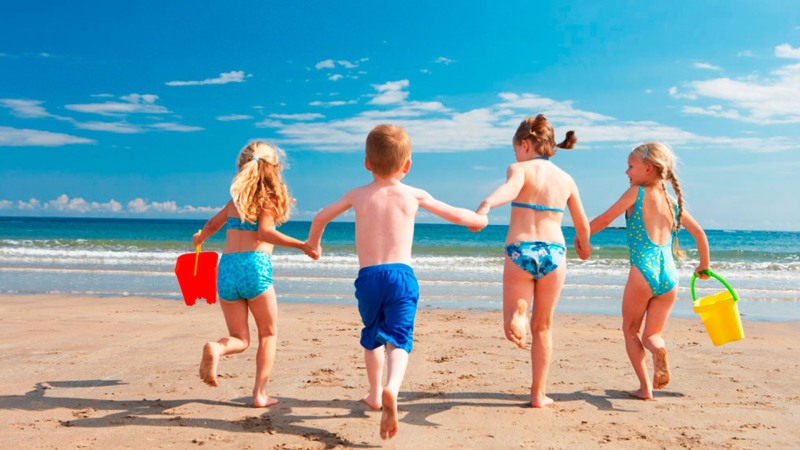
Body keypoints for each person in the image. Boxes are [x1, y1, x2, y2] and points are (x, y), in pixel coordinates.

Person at [307, 124, 488, 439]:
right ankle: (393, 388)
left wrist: (314, 244)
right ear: (407, 165)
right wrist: (480, 219)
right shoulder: (414, 194)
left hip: (368, 279)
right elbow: (458, 215)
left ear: (366, 163)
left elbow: (321, 215)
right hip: (401, 277)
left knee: (373, 335)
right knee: (399, 339)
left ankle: (375, 394)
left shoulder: (357, 195)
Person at [475, 114, 591, 408]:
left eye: (515, 149)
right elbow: (582, 222)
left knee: (511, 321)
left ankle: (518, 312)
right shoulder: (566, 179)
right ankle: (538, 394)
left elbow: (510, 190)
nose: (515, 155)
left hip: (520, 249)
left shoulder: (519, 169)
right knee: (543, 328)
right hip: (555, 253)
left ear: (525, 145)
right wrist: (584, 243)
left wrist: (487, 203)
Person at [192, 141, 318, 408]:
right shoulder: (268, 199)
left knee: (239, 338)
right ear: (274, 170)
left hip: (226, 269)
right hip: (254, 267)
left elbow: (213, 224)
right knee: (268, 334)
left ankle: (218, 348)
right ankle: (260, 394)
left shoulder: (234, 201)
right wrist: (302, 245)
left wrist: (201, 236)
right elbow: (265, 233)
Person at [587, 142, 710, 400]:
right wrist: (704, 266)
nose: (626, 172)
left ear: (648, 169)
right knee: (652, 335)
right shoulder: (671, 201)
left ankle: (645, 388)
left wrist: (581, 236)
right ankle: (659, 350)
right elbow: (699, 234)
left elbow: (605, 219)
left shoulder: (636, 193)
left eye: (631, 166)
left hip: (643, 272)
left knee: (630, 331)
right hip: (670, 277)